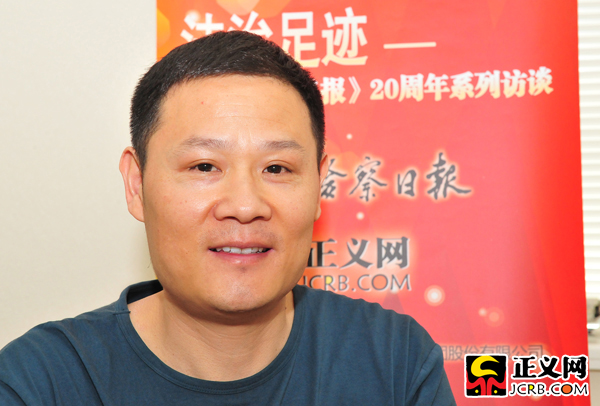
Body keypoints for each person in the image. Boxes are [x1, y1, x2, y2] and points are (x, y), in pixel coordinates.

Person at [0, 31, 456, 405]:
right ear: (136, 185)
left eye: (276, 168)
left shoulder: (393, 361)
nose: (244, 204)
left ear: (319, 185)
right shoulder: (42, 381)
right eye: (204, 166)